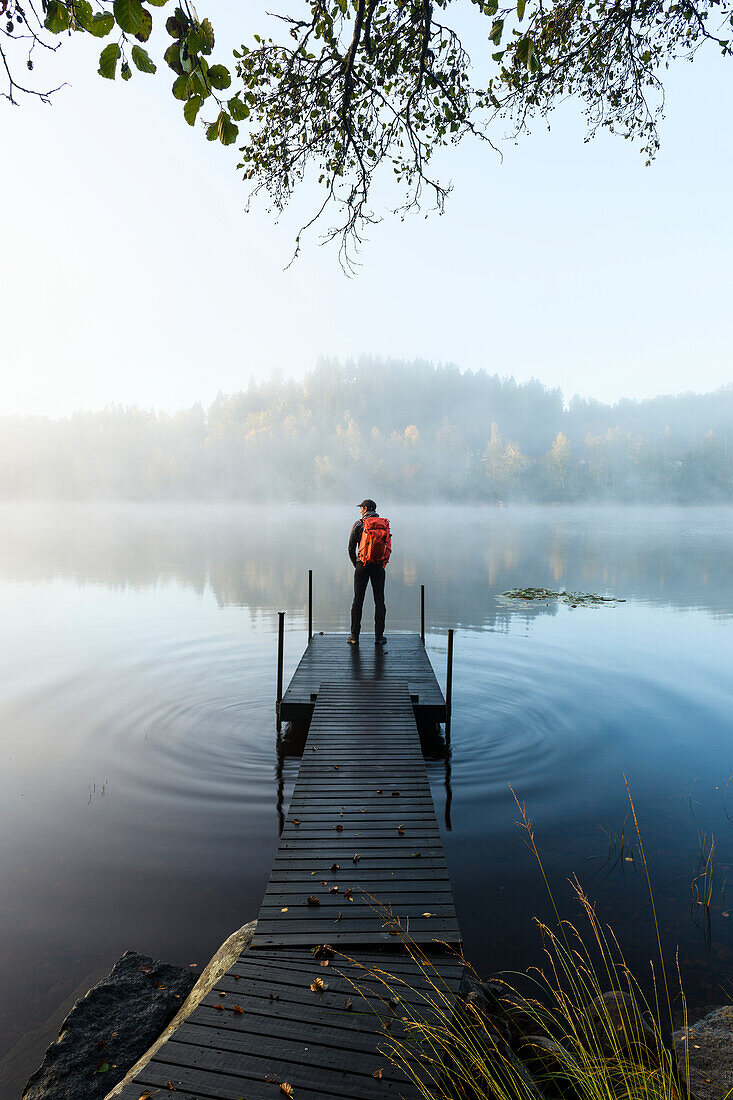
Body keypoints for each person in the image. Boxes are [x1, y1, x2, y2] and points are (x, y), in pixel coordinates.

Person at [347, 498, 391, 645]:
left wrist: (357, 564)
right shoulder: (383, 525)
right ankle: (379, 637)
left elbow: (350, 548)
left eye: (361, 508)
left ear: (365, 509)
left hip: (362, 565)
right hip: (378, 566)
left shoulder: (359, 524)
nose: (360, 510)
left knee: (358, 600)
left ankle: (354, 637)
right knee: (379, 601)